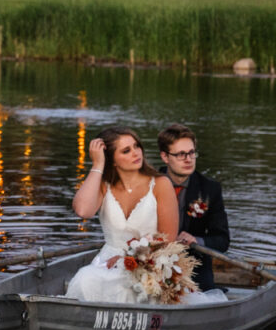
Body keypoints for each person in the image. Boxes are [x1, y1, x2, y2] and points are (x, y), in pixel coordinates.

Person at [64, 126, 222, 305]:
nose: (136, 153)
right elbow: (83, 210)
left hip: (150, 262)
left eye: (136, 146)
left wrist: (128, 259)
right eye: (126, 150)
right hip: (108, 262)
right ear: (112, 160)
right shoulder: (103, 185)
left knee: (137, 290)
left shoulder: (160, 184)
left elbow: (168, 240)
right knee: (86, 278)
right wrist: (97, 165)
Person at [158, 124, 230, 292]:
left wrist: (197, 241)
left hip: (194, 269)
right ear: (165, 157)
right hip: (152, 263)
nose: (188, 159)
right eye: (180, 154)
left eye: (191, 153)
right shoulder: (148, 183)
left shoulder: (209, 189)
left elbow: (222, 240)